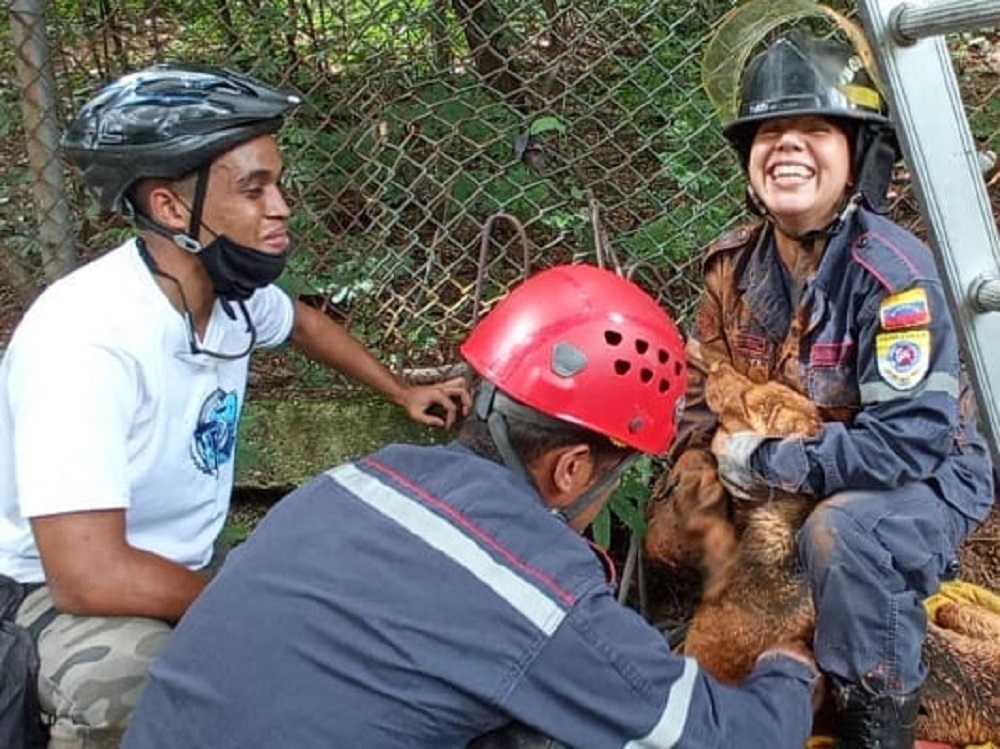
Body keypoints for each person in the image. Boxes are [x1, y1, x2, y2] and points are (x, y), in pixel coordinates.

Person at [121, 263, 821, 748]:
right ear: (573, 468)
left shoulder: (351, 482)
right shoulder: (535, 591)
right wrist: (788, 673)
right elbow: (716, 736)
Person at [0, 64, 469, 748]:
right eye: (254, 189)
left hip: (181, 568)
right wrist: (245, 605)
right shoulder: (87, 336)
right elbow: (87, 573)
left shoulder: (231, 295)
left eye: (277, 183)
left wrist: (400, 388)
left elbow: (304, 324)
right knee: (132, 683)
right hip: (42, 590)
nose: (281, 207)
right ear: (168, 208)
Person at [667, 30, 996, 748]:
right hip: (777, 460)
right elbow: (699, 390)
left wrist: (765, 464)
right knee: (674, 523)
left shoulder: (894, 275)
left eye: (814, 128)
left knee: (844, 533)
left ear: (858, 156)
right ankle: (760, 671)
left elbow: (909, 441)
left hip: (918, 473)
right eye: (768, 131)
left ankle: (873, 714)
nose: (787, 145)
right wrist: (698, 465)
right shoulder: (730, 265)